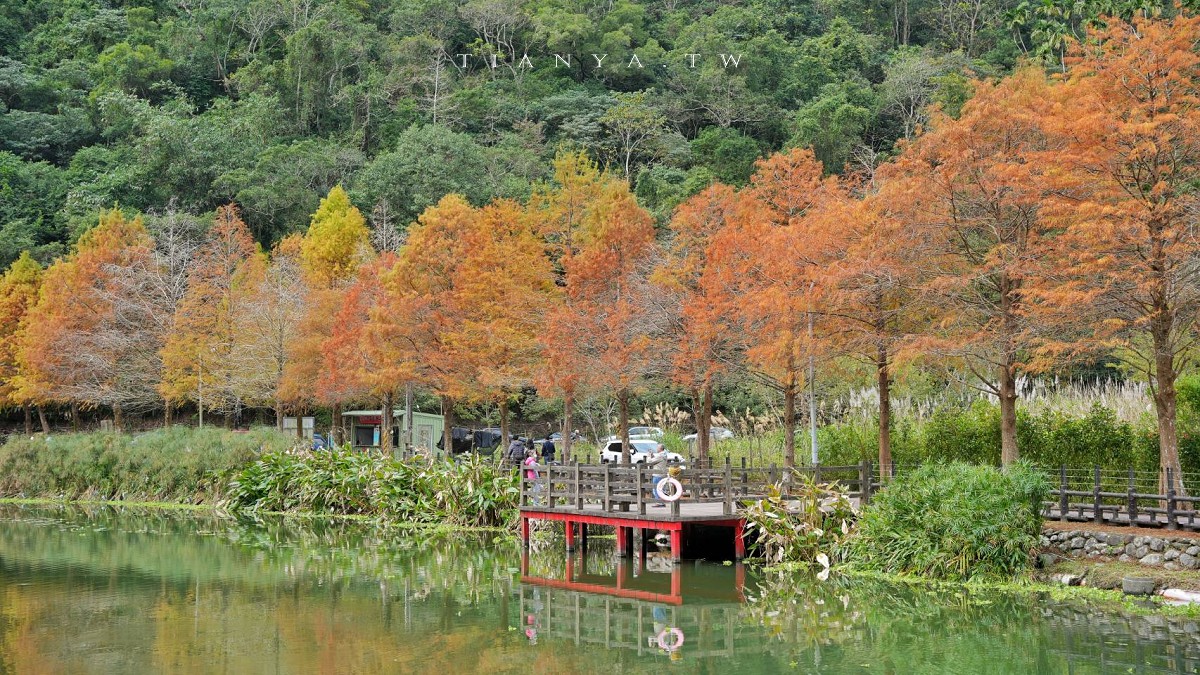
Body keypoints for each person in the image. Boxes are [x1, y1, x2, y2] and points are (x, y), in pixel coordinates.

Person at [648, 443, 669, 507]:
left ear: (660, 449)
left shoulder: (660, 455)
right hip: (662, 474)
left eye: (657, 448)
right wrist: (652, 455)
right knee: (660, 489)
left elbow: (650, 462)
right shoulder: (664, 455)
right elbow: (657, 461)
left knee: (656, 488)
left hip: (657, 474)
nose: (656, 449)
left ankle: (659, 502)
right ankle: (661, 502)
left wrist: (649, 456)